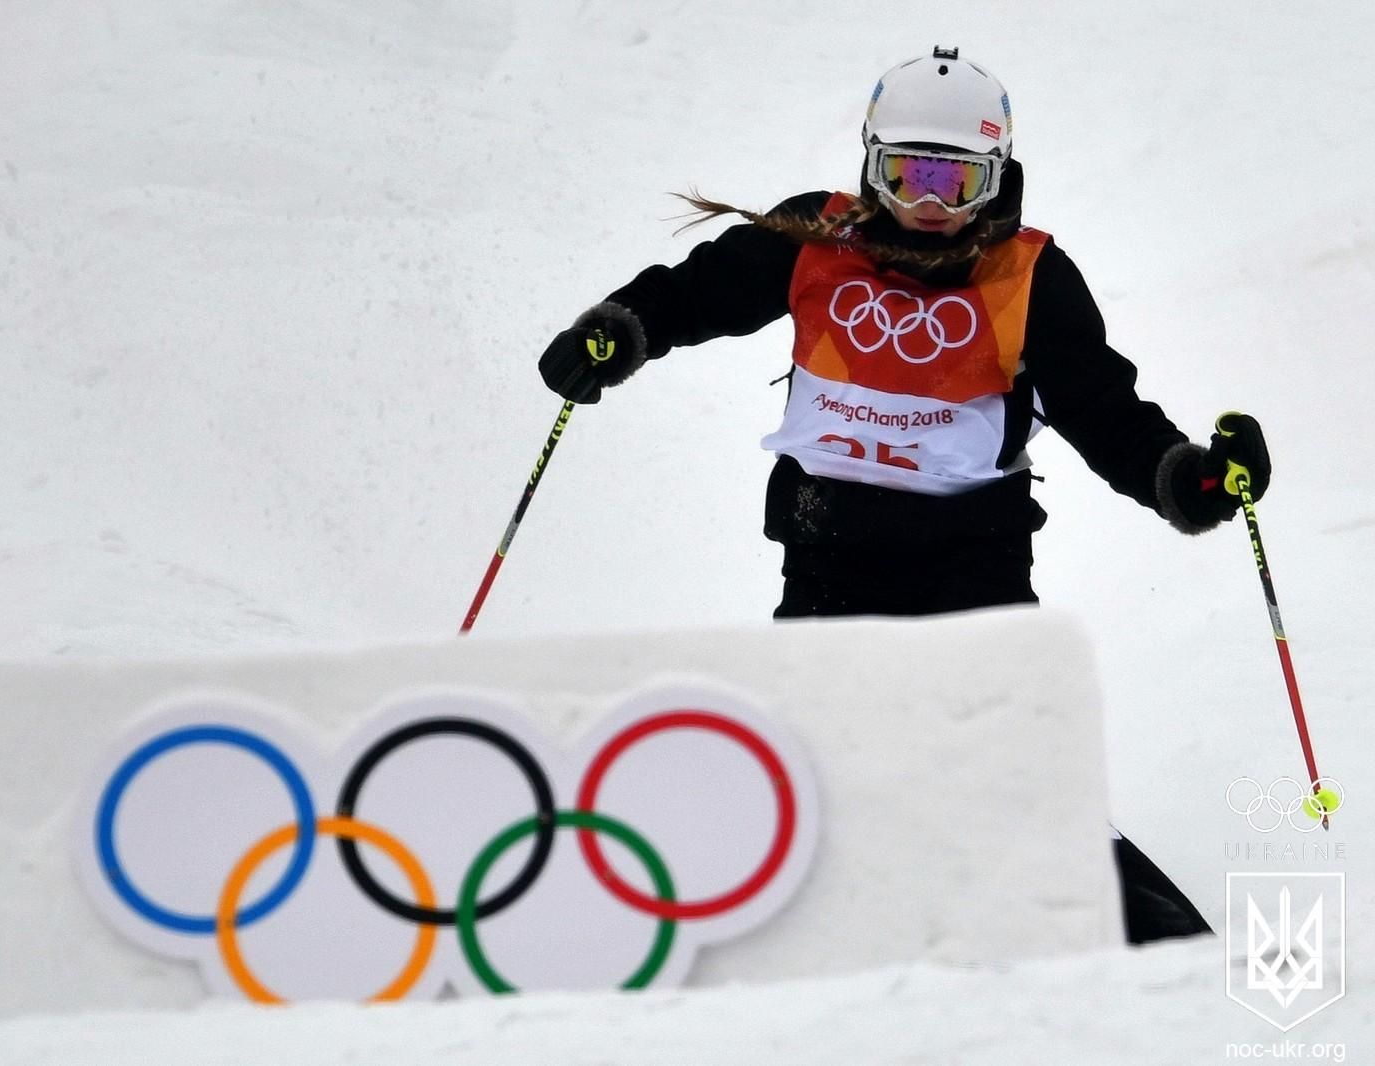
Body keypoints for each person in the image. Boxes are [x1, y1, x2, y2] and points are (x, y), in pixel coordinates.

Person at [536, 46, 1268, 944]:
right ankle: (719, 937)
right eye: (905, 176)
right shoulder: (817, 237)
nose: (928, 206)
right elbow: (700, 292)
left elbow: (1106, 412)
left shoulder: (1032, 277)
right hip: (828, 553)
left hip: (975, 564)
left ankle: (1169, 955)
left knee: (1012, 772)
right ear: (870, 164)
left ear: (995, 179)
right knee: (806, 764)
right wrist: (619, 332)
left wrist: (1188, 479)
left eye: (955, 183)